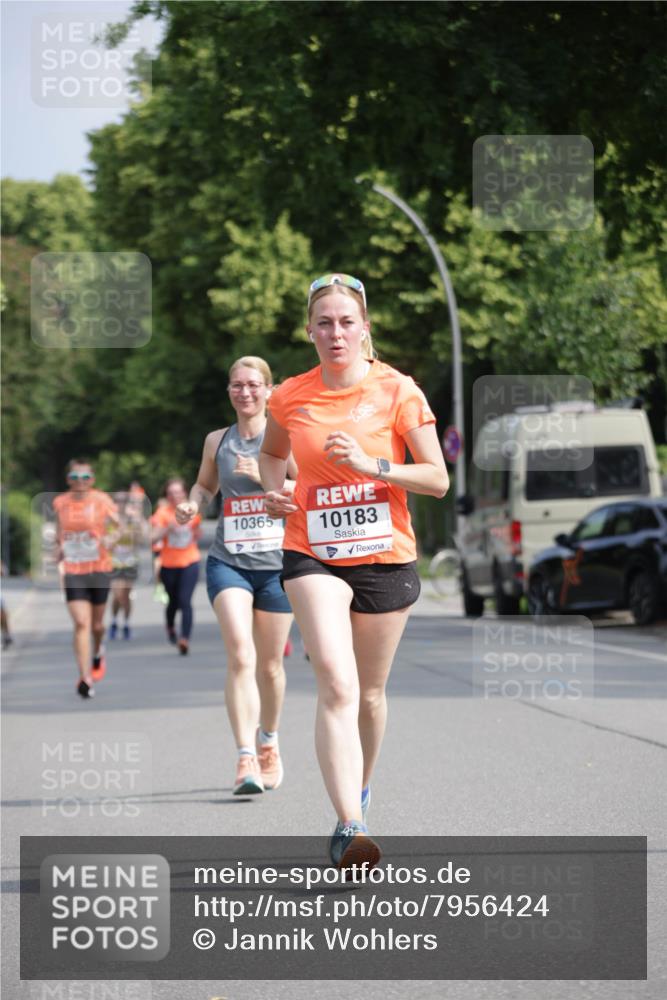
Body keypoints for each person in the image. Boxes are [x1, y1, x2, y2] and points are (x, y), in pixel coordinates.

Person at [259, 273, 448, 870]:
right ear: (309, 331)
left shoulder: (398, 390)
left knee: (368, 695)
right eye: (324, 323)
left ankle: (360, 789)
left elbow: (437, 478)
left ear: (365, 328)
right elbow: (271, 454)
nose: (335, 333)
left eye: (346, 322)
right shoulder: (290, 395)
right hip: (311, 551)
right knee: (337, 685)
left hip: (385, 555)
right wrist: (274, 491)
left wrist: (374, 465)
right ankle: (350, 824)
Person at [176, 356, 296, 796]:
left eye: (253, 385)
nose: (245, 392)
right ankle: (245, 755)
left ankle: (269, 740)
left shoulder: (284, 437)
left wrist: (268, 481)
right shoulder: (217, 440)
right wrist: (194, 504)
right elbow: (205, 485)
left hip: (277, 565)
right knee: (241, 656)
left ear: (269, 390)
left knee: (270, 665)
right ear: (229, 391)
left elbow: (308, 488)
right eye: (237, 385)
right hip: (229, 561)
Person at [53, 459, 120, 698]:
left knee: (97, 626)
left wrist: (110, 539)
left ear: (92, 480)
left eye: (84, 478)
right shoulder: (60, 502)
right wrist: (59, 550)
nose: (79, 482)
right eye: (74, 477)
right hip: (73, 570)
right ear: (68, 479)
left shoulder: (101, 500)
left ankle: (98, 650)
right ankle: (85, 677)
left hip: (99, 568)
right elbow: (60, 533)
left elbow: (119, 527)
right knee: (81, 623)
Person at [150, 478, 201, 654]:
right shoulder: (162, 513)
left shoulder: (192, 511)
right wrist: (168, 529)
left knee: (185, 601)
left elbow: (197, 532)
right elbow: (153, 538)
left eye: (178, 492)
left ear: (184, 493)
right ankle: (171, 626)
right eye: (171, 493)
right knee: (174, 601)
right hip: (169, 564)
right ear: (167, 495)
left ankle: (184, 638)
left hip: (190, 561)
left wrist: (195, 532)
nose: (175, 496)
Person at [109, 489, 149, 640]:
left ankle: (126, 623)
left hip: (130, 561)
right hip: (114, 562)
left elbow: (144, 538)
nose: (121, 504)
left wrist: (139, 518)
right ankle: (114, 621)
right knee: (117, 595)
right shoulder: (109, 519)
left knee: (126, 596)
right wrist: (119, 531)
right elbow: (106, 542)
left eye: (124, 501)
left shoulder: (133, 519)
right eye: (118, 501)